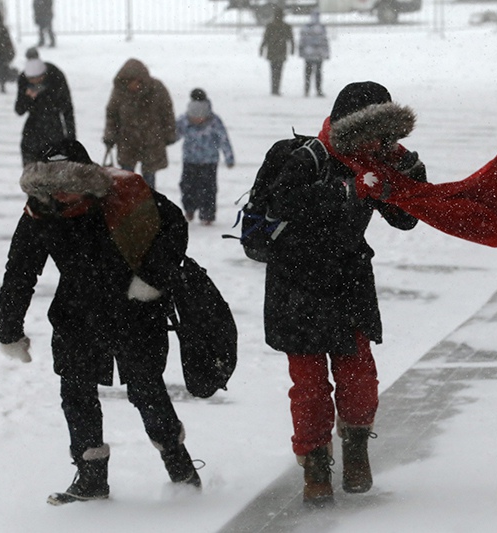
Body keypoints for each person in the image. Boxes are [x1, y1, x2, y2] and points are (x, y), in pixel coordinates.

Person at [0, 139, 201, 504]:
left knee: (147, 392)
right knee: (76, 394)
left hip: (135, 312)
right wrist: (8, 328)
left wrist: (150, 279)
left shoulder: (124, 196)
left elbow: (173, 229)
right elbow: (20, 271)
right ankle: (91, 479)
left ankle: (180, 467)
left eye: (70, 185)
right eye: (54, 186)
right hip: (77, 316)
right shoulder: (41, 212)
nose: (63, 195)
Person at [263, 81, 428, 506]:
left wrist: (408, 170)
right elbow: (282, 203)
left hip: (348, 283)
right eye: (372, 133)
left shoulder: (379, 160)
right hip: (296, 284)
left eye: (385, 134)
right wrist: (348, 190)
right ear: (349, 127)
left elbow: (405, 219)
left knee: (358, 377)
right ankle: (315, 464)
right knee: (309, 385)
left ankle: (355, 447)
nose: (378, 142)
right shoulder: (309, 158)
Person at [103, 58, 176, 190]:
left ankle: (149, 205)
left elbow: (167, 112)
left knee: (149, 180)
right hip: (127, 141)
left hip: (152, 141)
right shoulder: (119, 92)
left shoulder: (157, 89)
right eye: (129, 82)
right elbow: (112, 115)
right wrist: (110, 136)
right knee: (127, 180)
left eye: (134, 81)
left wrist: (169, 133)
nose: (132, 85)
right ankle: (129, 207)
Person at [174, 88, 235, 226]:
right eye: (194, 117)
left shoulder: (214, 121)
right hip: (190, 160)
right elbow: (174, 135)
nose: (197, 119)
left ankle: (207, 214)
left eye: (200, 117)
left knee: (208, 188)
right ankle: (189, 209)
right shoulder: (184, 120)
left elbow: (223, 140)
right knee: (187, 186)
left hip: (209, 162)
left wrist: (229, 157)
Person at [14, 48, 75, 166]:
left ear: (44, 74)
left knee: (54, 172)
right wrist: (28, 98)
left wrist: (71, 139)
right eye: (31, 80)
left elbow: (67, 109)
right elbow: (19, 110)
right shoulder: (23, 80)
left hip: (54, 130)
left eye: (38, 79)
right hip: (32, 132)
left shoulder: (56, 76)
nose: (35, 82)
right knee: (32, 175)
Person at [259, 6, 294, 96]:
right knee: (278, 71)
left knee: (274, 70)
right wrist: (292, 48)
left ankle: (275, 88)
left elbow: (265, 38)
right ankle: (276, 88)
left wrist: (262, 48)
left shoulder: (271, 26)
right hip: (280, 51)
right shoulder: (285, 26)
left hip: (273, 51)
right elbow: (290, 39)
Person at [298, 10, 330, 97]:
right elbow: (324, 41)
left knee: (308, 73)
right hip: (318, 54)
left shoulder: (306, 27)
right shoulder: (321, 27)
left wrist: (301, 51)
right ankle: (318, 90)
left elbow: (302, 41)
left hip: (308, 54)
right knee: (318, 73)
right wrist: (326, 53)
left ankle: (307, 90)